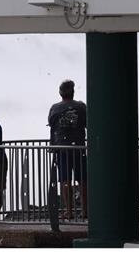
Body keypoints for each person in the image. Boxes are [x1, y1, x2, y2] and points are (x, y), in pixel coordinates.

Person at [47, 80, 87, 220]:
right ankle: (85, 210)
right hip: (79, 147)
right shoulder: (81, 107)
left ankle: (69, 212)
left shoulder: (55, 108)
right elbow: (87, 123)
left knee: (65, 180)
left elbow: (52, 125)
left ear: (60, 93)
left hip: (61, 148)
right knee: (82, 179)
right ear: (73, 92)